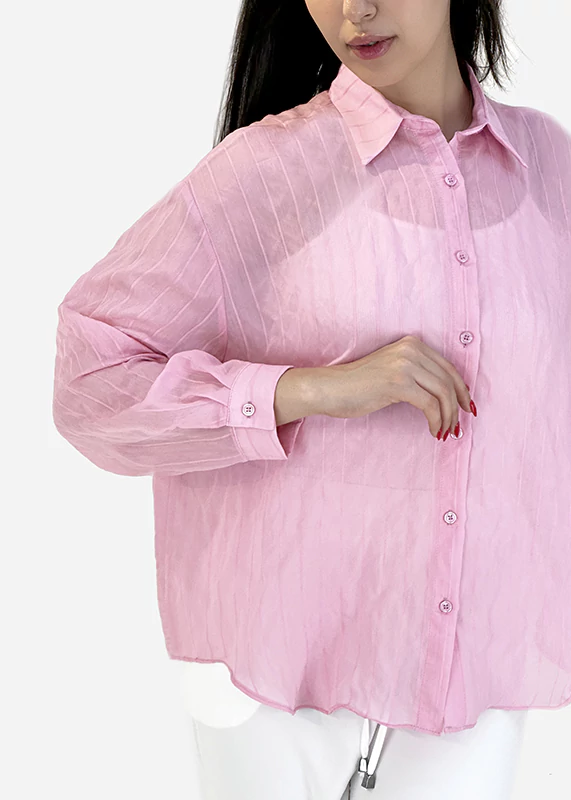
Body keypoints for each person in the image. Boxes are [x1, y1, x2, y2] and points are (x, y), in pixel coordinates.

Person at [52, 0, 571, 798]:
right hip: (272, 678)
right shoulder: (269, 170)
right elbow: (89, 379)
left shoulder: (546, 166)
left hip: (471, 672)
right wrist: (311, 389)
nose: (354, 9)